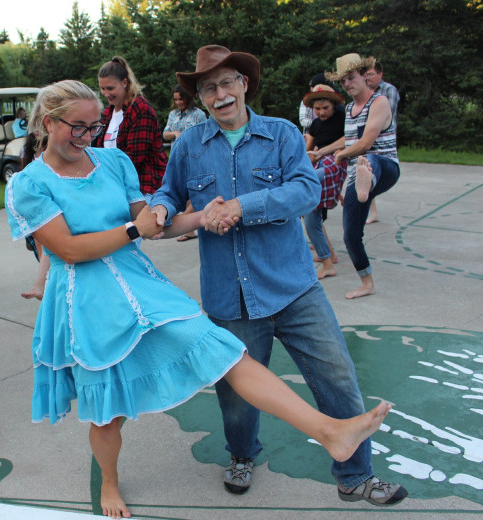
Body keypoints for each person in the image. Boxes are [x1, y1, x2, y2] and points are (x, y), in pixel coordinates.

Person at [6, 79, 392, 519]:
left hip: (143, 287)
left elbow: (155, 220)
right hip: (88, 299)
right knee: (107, 413)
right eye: (77, 127)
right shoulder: (29, 183)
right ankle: (109, 483)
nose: (87, 137)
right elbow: (68, 250)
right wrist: (140, 228)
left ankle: (330, 433)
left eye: (95, 126)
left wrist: (204, 216)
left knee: (225, 353)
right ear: (49, 122)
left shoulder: (112, 162)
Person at [151, 45, 407, 506]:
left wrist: (240, 207)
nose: (220, 93)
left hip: (294, 288)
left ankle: (356, 475)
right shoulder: (189, 145)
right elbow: (169, 192)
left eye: (228, 82)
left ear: (244, 84)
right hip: (229, 298)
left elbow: (306, 191)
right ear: (201, 96)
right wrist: (162, 207)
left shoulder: (282, 134)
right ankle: (242, 455)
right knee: (235, 396)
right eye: (209, 87)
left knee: (338, 379)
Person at [315, 53, 400, 299]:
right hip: (357, 174)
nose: (348, 84)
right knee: (351, 235)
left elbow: (365, 143)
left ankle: (367, 183)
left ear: (365, 76)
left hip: (386, 167)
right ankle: (367, 283)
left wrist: (341, 157)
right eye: (343, 81)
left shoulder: (379, 102)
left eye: (351, 78)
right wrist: (323, 152)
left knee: (368, 158)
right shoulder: (351, 108)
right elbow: (348, 140)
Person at [93, 56, 168, 197]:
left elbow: (133, 159)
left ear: (125, 82)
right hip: (116, 185)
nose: (106, 94)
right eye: (102, 89)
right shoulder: (108, 113)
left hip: (145, 187)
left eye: (110, 88)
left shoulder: (140, 109)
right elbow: (98, 151)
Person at [303, 84, 347, 279]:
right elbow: (307, 151)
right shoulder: (315, 125)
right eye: (317, 109)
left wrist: (322, 152)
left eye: (325, 108)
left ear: (333, 105)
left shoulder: (343, 117)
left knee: (308, 192)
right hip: (319, 165)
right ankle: (329, 258)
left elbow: (350, 139)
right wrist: (310, 157)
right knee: (311, 216)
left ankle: (327, 262)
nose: (320, 112)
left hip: (334, 165)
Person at [163, 84, 207, 241]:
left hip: (195, 156)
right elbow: (165, 133)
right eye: (175, 99)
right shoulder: (173, 114)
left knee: (194, 188)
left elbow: (205, 136)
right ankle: (189, 227)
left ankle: (187, 225)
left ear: (187, 98)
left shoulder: (198, 114)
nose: (178, 102)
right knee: (183, 189)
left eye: (180, 99)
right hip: (176, 156)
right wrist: (174, 133)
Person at [363, 61, 400, 225]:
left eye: (370, 74)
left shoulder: (388, 91)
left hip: (383, 141)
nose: (368, 78)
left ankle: (371, 209)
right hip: (368, 138)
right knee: (367, 172)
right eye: (366, 75)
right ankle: (372, 212)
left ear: (380, 74)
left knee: (373, 172)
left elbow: (385, 113)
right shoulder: (365, 92)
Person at [19, 131, 50, 300]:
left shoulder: (54, 156)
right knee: (38, 245)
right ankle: (43, 280)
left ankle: (42, 282)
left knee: (43, 243)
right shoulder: (29, 161)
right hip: (33, 208)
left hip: (44, 210)